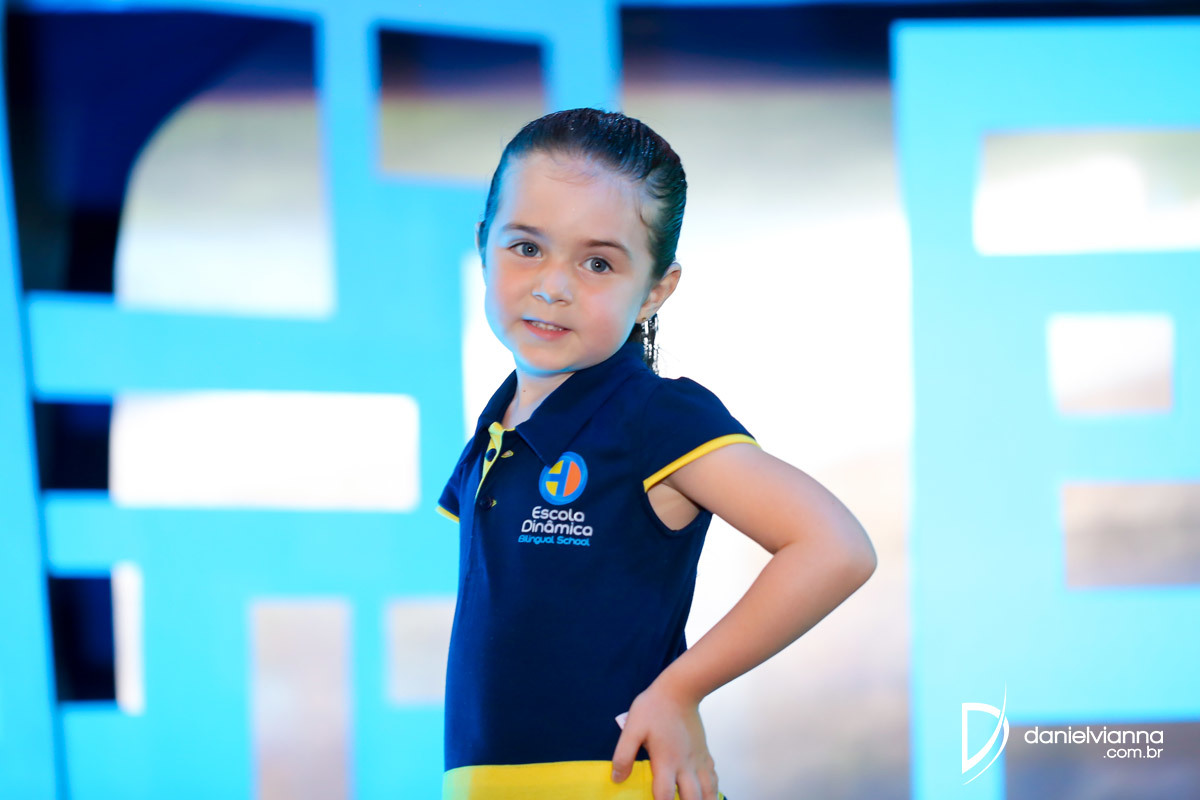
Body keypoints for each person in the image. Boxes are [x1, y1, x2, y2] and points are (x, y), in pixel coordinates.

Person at [436, 107, 877, 800]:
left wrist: (679, 690)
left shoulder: (652, 417)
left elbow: (835, 547)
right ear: (483, 244)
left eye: (597, 262)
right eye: (526, 247)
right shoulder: (493, 435)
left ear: (655, 291)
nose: (552, 285)